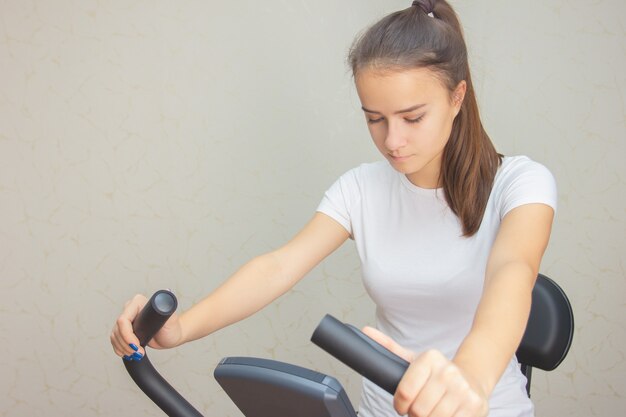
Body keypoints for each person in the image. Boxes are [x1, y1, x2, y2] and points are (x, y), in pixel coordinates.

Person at [111, 1, 557, 416]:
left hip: (480, 406)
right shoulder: (362, 188)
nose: (392, 141)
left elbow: (513, 272)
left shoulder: (520, 183)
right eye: (374, 118)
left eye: (412, 117)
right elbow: (279, 266)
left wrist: (470, 378)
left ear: (457, 97)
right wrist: (182, 328)